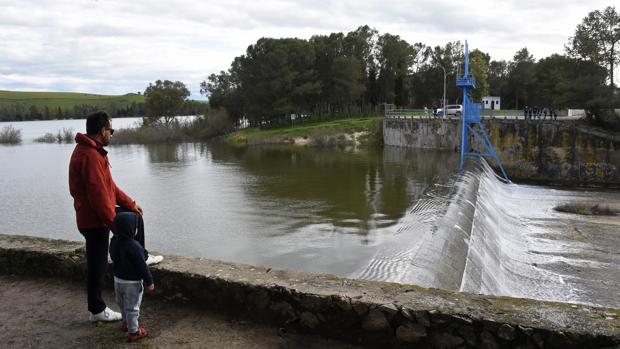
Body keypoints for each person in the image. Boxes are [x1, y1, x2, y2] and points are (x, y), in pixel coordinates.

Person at [69, 111, 162, 322]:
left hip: (96, 215)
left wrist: (131, 204)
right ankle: (97, 310)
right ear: (102, 131)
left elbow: (109, 187)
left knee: (134, 216)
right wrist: (118, 228)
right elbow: (99, 197)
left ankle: (141, 256)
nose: (112, 134)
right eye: (111, 130)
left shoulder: (94, 151)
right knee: (97, 265)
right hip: (94, 220)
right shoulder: (90, 155)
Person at [110, 212, 154, 342]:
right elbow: (142, 266)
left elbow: (112, 256)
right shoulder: (134, 246)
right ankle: (134, 332)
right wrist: (149, 281)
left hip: (117, 280)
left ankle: (125, 323)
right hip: (131, 283)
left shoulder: (114, 242)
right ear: (131, 229)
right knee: (133, 307)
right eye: (136, 226)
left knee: (122, 304)